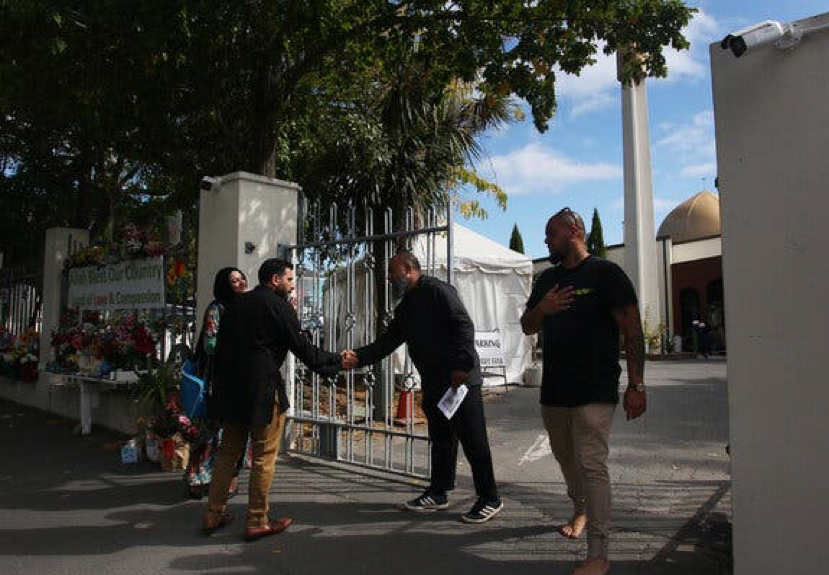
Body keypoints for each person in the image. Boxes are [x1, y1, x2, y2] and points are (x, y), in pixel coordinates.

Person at [520, 208, 647, 575]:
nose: (546, 240)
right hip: (555, 391)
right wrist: (543, 308)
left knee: (592, 465)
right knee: (565, 459)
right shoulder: (546, 279)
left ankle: (599, 554)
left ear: (574, 231)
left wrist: (636, 385)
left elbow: (633, 331)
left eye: (551, 233)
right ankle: (580, 508)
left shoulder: (607, 274)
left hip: (595, 389)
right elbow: (527, 325)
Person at [345, 252, 503, 524]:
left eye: (392, 271)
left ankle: (490, 498)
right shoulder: (406, 306)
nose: (388, 277)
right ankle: (439, 492)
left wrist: (461, 367)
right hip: (434, 381)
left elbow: (463, 326)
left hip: (459, 380)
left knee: (474, 440)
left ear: (409, 269)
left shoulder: (439, 291)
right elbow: (389, 341)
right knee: (442, 438)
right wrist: (359, 356)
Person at [203, 258, 350, 541]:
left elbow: (218, 350)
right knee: (263, 457)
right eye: (290, 280)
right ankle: (258, 519)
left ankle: (213, 513)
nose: (293, 286)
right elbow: (305, 351)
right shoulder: (278, 305)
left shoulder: (234, 305)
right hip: (262, 391)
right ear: (275, 280)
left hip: (231, 391)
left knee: (227, 453)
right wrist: (339, 361)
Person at [185, 267, 249, 499]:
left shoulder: (246, 308)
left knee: (237, 433)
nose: (241, 283)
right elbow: (210, 344)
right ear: (224, 285)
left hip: (242, 380)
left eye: (242, 279)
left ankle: (231, 481)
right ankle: (197, 477)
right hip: (219, 381)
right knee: (210, 433)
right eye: (234, 281)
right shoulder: (217, 309)